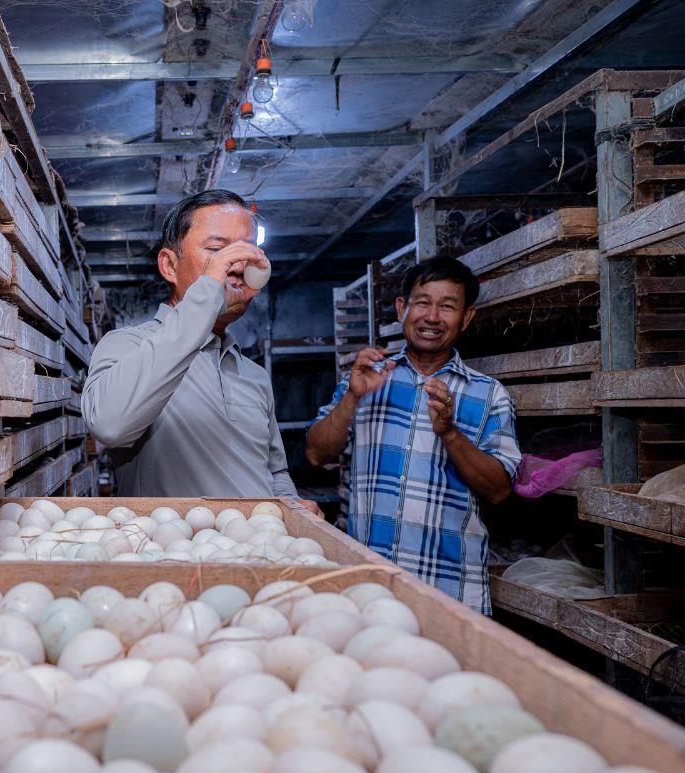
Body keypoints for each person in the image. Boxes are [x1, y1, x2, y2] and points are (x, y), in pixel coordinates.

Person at [305, 256, 521, 613]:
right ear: (402, 309)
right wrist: (352, 398)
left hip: (449, 593)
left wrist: (450, 433)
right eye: (422, 303)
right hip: (369, 588)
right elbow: (316, 454)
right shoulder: (366, 380)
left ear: (467, 317)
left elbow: (499, 490)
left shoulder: (489, 395)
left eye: (447, 306)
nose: (432, 317)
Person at [82, 189, 317, 511]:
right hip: (171, 543)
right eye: (218, 251)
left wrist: (294, 510)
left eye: (247, 253)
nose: (238, 266)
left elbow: (274, 472)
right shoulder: (127, 346)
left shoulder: (254, 375)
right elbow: (110, 425)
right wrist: (207, 295)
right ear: (169, 265)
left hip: (261, 542)